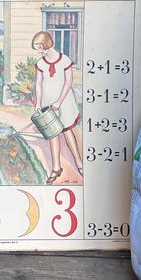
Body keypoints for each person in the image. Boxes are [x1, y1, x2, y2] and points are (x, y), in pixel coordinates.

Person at [32, 31, 83, 184]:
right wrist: (38, 103)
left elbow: (68, 82)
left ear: (44, 45)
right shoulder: (40, 63)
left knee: (67, 131)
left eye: (38, 47)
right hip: (48, 102)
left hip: (64, 101)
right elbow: (38, 84)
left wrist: (59, 102)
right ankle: (56, 168)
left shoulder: (64, 60)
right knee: (52, 134)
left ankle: (79, 164)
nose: (37, 51)